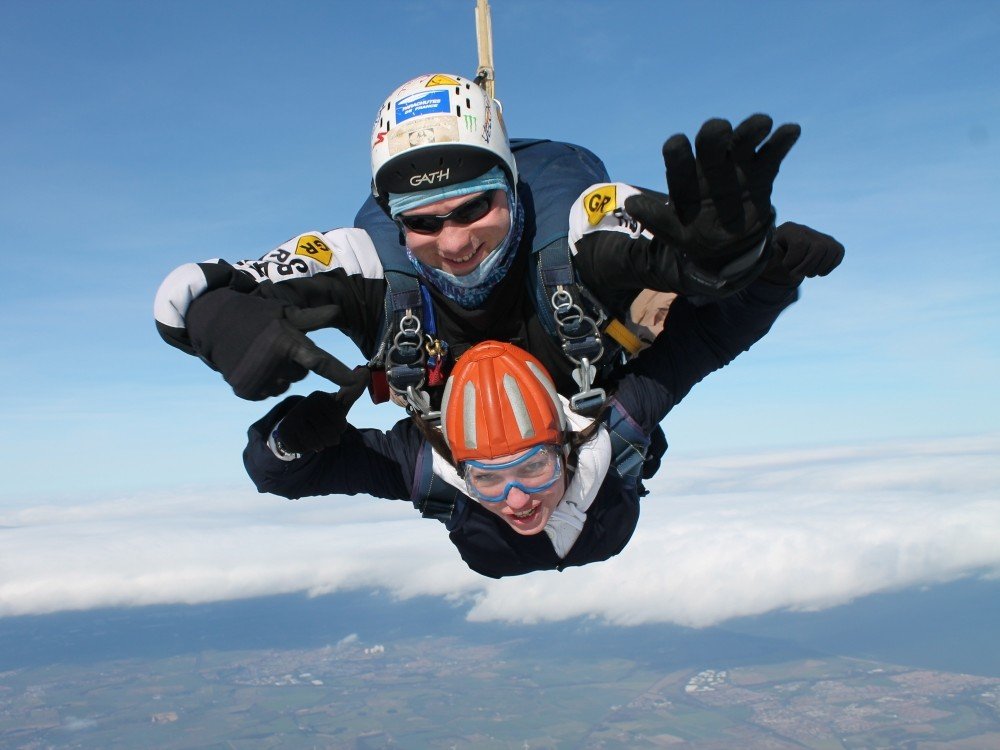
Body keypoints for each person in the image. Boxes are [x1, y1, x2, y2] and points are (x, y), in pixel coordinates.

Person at [154, 73, 842, 438]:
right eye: (420, 222)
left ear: (512, 187)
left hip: (570, 439)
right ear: (393, 220)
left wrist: (721, 261)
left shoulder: (575, 232)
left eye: (475, 207)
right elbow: (190, 291)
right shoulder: (367, 262)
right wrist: (217, 320)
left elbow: (647, 238)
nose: (452, 243)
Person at [242, 234, 840, 578]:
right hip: (603, 523)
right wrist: (289, 437)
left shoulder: (616, 421)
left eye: (531, 467)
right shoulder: (424, 462)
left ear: (568, 443)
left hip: (586, 507)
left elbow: (705, 341)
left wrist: (771, 273)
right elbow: (279, 474)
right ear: (459, 463)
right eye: (487, 479)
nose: (518, 500)